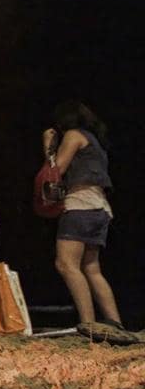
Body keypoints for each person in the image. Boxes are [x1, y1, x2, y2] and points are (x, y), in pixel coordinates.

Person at [44, 101, 133, 342]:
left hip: (80, 204)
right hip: (100, 206)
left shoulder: (73, 135)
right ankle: (115, 322)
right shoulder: (94, 140)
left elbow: (56, 171)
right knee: (91, 267)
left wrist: (48, 149)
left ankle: (89, 323)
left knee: (66, 264)